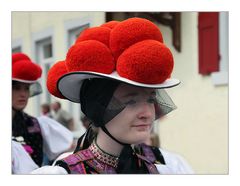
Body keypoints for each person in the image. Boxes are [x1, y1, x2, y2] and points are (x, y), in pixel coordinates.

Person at [32, 18, 193, 174]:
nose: (148, 114)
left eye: (151, 99)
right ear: (99, 107)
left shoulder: (168, 166)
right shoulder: (66, 173)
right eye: (131, 101)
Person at [12, 52, 74, 173]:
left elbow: (72, 149)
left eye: (26, 88)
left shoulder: (38, 124)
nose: (23, 94)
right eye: (16, 88)